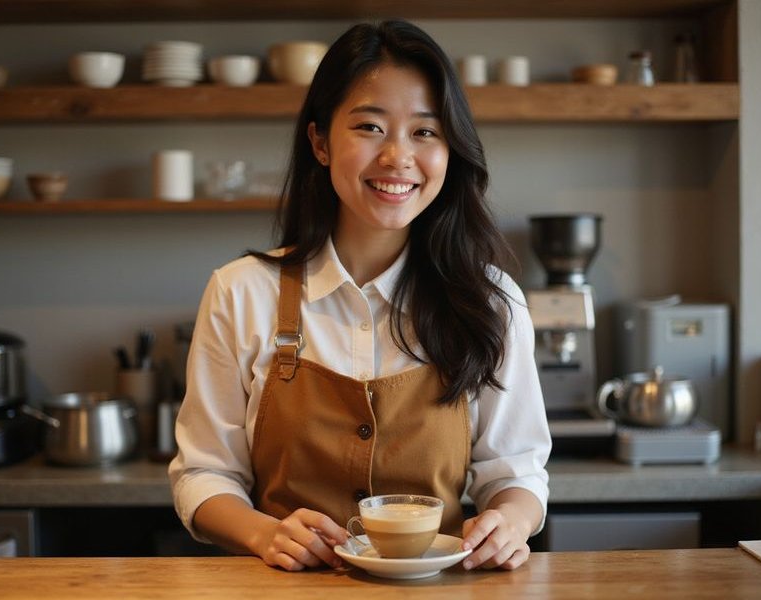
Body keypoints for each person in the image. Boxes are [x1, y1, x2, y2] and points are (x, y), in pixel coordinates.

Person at [169, 19, 551, 572]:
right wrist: (264, 534)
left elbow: (514, 471)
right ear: (321, 142)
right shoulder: (240, 291)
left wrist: (510, 520)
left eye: (425, 132)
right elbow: (203, 474)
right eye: (371, 127)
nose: (398, 157)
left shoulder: (492, 300)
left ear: (451, 149)